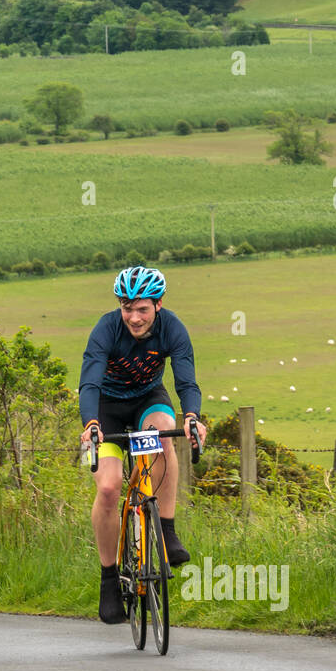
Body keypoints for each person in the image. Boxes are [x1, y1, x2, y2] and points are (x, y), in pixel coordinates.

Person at [79, 266, 206, 624]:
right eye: (126, 307)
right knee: (108, 487)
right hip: (106, 408)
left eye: (142, 309)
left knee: (165, 432)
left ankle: (165, 529)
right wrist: (90, 423)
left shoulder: (173, 328)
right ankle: (108, 578)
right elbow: (89, 382)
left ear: (158, 305)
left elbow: (186, 379)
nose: (133, 317)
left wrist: (192, 416)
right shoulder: (106, 329)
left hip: (148, 399)